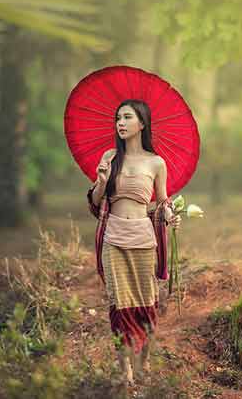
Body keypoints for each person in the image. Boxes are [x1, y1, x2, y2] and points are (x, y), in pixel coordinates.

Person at [86, 99, 181, 386]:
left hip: (142, 240)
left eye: (127, 117)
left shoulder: (156, 162)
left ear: (142, 123)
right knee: (119, 305)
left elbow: (162, 202)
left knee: (146, 304)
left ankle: (144, 361)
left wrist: (171, 215)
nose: (120, 123)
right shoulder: (109, 157)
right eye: (118, 118)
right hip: (113, 239)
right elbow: (93, 203)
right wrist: (102, 182)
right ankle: (125, 369)